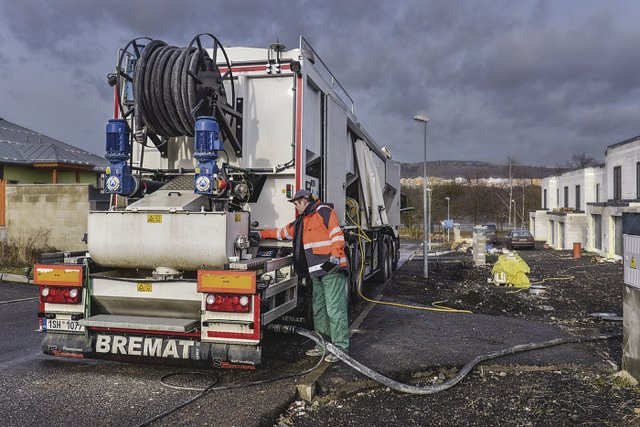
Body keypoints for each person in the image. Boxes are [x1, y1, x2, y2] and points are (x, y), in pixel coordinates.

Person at [250, 189, 349, 363]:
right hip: (317, 271)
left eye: (297, 203)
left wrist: (335, 255)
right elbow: (282, 233)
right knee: (319, 310)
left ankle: (340, 349)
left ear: (305, 200)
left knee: (334, 310)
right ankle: (323, 346)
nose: (296, 207)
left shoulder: (323, 211)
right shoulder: (302, 221)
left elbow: (336, 235)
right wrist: (260, 234)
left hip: (331, 269)